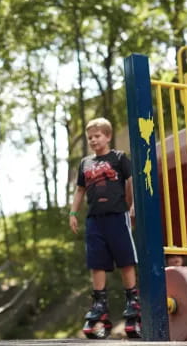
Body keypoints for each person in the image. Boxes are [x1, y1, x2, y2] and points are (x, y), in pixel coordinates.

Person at [69, 117, 140, 325]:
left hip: (118, 215)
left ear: (108, 137)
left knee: (125, 257)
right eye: (90, 137)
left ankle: (132, 299)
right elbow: (80, 190)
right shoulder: (85, 163)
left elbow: (130, 181)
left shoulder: (118, 158)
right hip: (94, 219)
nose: (93, 140)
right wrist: (73, 213)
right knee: (96, 261)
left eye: (97, 136)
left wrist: (133, 204)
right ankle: (100, 303)